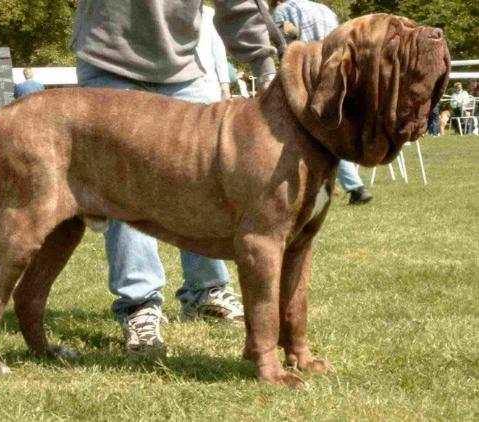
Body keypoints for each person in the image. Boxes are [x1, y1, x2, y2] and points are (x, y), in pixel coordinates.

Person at [71, 0, 276, 354]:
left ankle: (206, 291)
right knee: (124, 185)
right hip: (109, 60)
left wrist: (265, 65)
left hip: (183, 67)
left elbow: (238, 3)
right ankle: (139, 305)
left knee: (204, 176)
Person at [274, 0, 372, 205]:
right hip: (338, 73)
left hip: (309, 76)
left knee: (318, 133)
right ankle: (336, 185)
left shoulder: (283, 10)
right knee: (335, 128)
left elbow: (285, 46)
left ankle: (353, 187)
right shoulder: (324, 9)